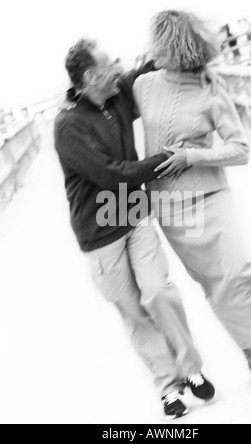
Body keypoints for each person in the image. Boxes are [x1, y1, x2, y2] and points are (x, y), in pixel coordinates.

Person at [133, 10, 251, 385]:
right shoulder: (142, 85)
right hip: (170, 207)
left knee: (245, 268)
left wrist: (191, 156)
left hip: (211, 195)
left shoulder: (212, 89)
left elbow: (240, 150)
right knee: (213, 282)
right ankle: (250, 355)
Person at [54, 38, 215, 420]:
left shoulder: (117, 94)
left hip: (134, 215)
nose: (118, 66)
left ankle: (191, 370)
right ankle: (168, 386)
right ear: (91, 76)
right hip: (99, 232)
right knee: (135, 314)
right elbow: (110, 176)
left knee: (158, 291)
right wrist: (165, 160)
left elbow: (152, 66)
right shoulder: (68, 125)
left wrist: (188, 54)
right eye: (110, 63)